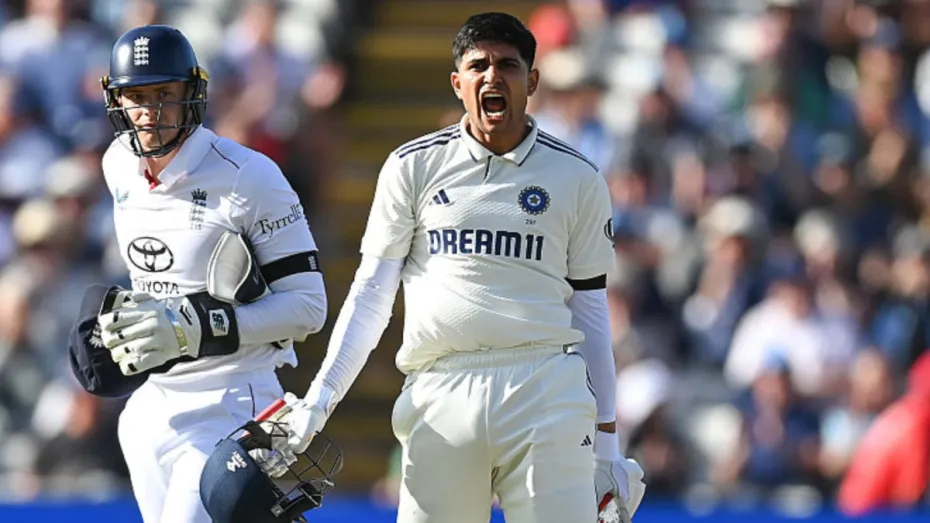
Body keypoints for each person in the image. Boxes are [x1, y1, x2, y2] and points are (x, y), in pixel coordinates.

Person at [257, 12, 646, 523]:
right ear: (457, 83)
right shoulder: (412, 166)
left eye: (508, 65)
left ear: (532, 81)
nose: (492, 76)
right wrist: (320, 398)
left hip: (546, 386)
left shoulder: (578, 176)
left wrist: (607, 447)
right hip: (441, 385)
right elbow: (371, 294)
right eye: (478, 65)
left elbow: (591, 310)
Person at [70, 24, 327, 523]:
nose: (150, 110)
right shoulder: (117, 164)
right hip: (151, 404)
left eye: (165, 93)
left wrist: (195, 327)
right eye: (136, 96)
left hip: (233, 398)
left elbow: (308, 306)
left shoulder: (250, 176)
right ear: (116, 100)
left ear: (193, 92)